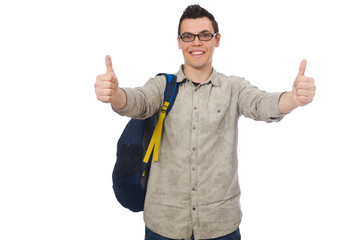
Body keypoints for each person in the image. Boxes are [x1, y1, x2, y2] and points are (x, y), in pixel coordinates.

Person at [94, 4, 316, 240]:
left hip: (220, 225)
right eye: (188, 36)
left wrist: (292, 99)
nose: (196, 42)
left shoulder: (234, 87)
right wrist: (116, 95)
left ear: (216, 39)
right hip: (164, 225)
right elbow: (139, 102)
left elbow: (261, 104)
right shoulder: (161, 87)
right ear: (179, 42)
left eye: (204, 35)